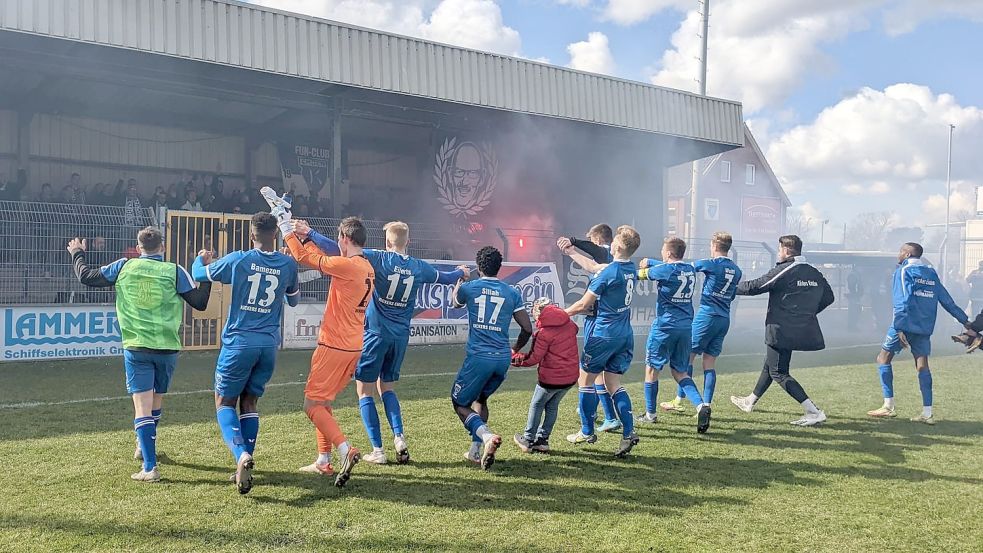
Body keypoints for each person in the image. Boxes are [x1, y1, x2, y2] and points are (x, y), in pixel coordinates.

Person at [295, 219, 466, 465]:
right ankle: (399, 437)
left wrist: (310, 233)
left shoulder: (378, 258)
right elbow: (447, 278)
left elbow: (340, 251)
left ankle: (378, 450)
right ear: (408, 242)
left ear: (387, 242)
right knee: (388, 388)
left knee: (364, 390)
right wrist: (461, 272)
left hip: (375, 334)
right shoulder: (418, 266)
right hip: (400, 336)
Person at [68, 227, 211, 482]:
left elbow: (86, 277)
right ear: (163, 247)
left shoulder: (125, 266)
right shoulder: (174, 271)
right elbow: (200, 302)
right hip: (167, 348)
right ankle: (142, 447)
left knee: (142, 407)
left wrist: (78, 253)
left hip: (137, 346)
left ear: (138, 247)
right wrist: (206, 272)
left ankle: (149, 467)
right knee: (155, 403)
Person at [191, 212, 299, 494]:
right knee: (249, 403)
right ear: (275, 234)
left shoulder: (239, 259)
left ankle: (241, 455)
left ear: (252, 235)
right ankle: (246, 460)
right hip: (267, 345)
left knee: (224, 402)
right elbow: (295, 299)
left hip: (239, 343)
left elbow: (198, 274)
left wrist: (200, 257)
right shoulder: (288, 263)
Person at [273, 191, 374, 488]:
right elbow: (322, 255)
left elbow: (304, 258)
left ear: (344, 237)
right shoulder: (366, 267)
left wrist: (285, 227)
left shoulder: (346, 266)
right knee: (324, 402)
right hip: (354, 344)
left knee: (311, 405)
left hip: (334, 345)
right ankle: (323, 460)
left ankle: (346, 449)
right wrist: (306, 235)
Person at [730, 235, 834, 426]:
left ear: (786, 250)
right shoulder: (814, 272)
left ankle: (813, 411)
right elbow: (829, 297)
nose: (778, 253)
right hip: (796, 328)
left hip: (781, 329)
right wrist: (806, 313)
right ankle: (750, 401)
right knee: (770, 365)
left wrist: (730, 288)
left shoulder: (786, 269)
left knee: (778, 371)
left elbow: (757, 286)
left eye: (779, 249)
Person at [561, 225, 641, 457]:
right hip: (625, 334)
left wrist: (559, 314)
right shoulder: (629, 268)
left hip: (603, 334)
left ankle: (586, 431)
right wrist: (572, 252)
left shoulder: (609, 273)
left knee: (584, 381)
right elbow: (595, 266)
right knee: (613, 384)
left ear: (615, 246)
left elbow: (583, 305)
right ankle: (628, 432)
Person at [867, 243, 969, 424]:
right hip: (924, 327)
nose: (898, 254)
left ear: (907, 254)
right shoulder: (931, 273)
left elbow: (902, 300)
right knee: (922, 365)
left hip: (904, 324)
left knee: (883, 358)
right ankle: (927, 412)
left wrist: (899, 327)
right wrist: (966, 322)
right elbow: (947, 301)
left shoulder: (903, 271)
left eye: (900, 251)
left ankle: (888, 406)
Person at [451, 246, 533, 469]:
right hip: (501, 359)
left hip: (479, 357)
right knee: (481, 399)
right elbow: (527, 328)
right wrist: (513, 348)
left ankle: (486, 437)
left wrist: (461, 277)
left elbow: (454, 301)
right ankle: (475, 451)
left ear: (478, 267)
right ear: (500, 268)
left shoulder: (470, 288)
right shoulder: (512, 292)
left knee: (459, 402)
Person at [634, 237, 712, 433]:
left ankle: (650, 414)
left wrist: (643, 266)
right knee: (680, 372)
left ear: (668, 253)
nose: (661, 252)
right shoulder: (689, 269)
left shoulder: (664, 270)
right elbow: (668, 268)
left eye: (662, 249)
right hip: (686, 327)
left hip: (665, 327)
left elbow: (638, 275)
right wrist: (652, 261)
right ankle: (701, 405)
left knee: (652, 369)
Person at [660, 232, 742, 414]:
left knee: (686, 357)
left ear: (713, 246)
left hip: (707, 316)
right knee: (709, 362)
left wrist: (652, 264)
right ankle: (707, 404)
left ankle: (679, 400)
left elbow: (683, 268)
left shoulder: (710, 263)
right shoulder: (737, 270)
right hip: (724, 319)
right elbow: (733, 294)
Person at [556, 224, 622, 434]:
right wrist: (573, 250)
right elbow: (590, 264)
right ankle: (600, 412)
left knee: (591, 373)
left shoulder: (606, 252)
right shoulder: (609, 264)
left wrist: (573, 241)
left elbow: (595, 254)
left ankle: (600, 415)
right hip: (605, 319)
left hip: (599, 321)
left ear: (597, 239)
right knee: (600, 374)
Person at [511, 298, 579, 454]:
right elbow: (574, 330)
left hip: (551, 379)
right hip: (570, 377)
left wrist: (513, 358)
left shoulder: (543, 333)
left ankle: (528, 439)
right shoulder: (568, 324)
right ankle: (543, 441)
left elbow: (533, 358)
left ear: (539, 313)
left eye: (534, 312)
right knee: (552, 406)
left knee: (537, 404)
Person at [846, 266, 864, 332]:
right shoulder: (853, 275)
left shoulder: (856, 275)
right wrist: (856, 294)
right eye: (860, 268)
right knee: (854, 311)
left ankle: (853, 326)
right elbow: (852, 287)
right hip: (854, 297)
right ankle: (852, 326)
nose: (861, 269)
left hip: (856, 296)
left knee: (856, 310)